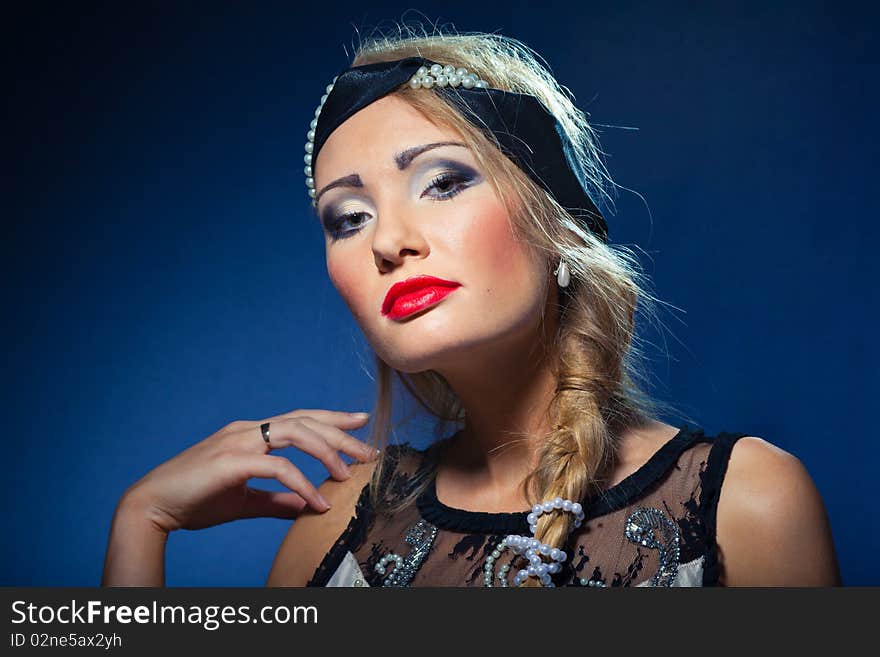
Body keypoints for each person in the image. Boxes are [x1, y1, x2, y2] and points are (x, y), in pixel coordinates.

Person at [102, 27, 841, 588]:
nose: (388, 241)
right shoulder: (339, 524)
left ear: (558, 223)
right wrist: (143, 520)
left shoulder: (742, 503)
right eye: (347, 217)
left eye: (444, 181)